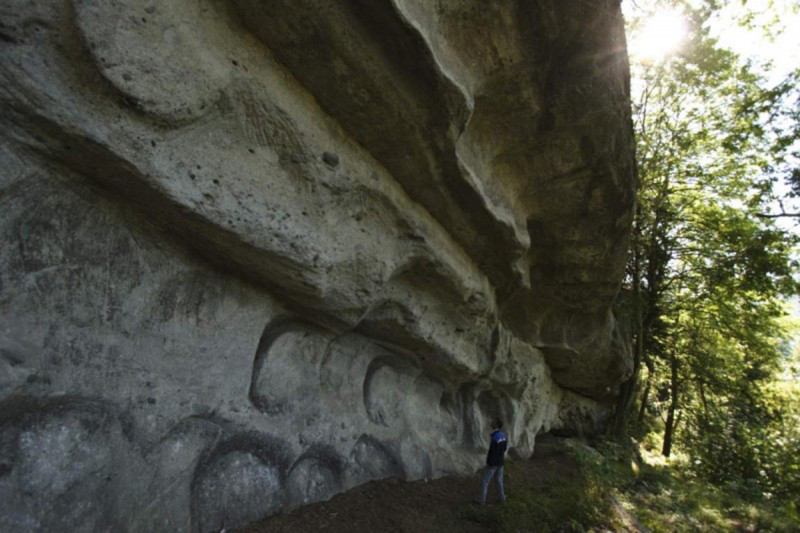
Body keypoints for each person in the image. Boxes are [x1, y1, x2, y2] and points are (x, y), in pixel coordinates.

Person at [476, 418, 508, 504]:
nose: (491, 422)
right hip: (500, 462)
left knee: (485, 481)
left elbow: (493, 452)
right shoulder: (502, 435)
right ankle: (502, 498)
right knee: (499, 481)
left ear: (496, 425)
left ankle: (481, 499)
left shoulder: (494, 437)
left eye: (493, 422)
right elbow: (504, 448)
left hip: (493, 463)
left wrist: (490, 462)